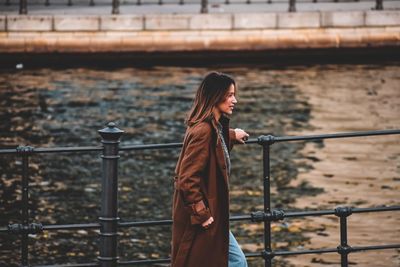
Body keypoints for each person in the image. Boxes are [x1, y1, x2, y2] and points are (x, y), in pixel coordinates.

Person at [171, 71, 250, 267]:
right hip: (204, 214)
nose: (235, 100)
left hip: (209, 212)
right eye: (230, 95)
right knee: (237, 262)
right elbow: (186, 178)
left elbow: (214, 142)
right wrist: (202, 214)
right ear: (216, 97)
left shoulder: (211, 127)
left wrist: (231, 135)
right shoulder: (204, 131)